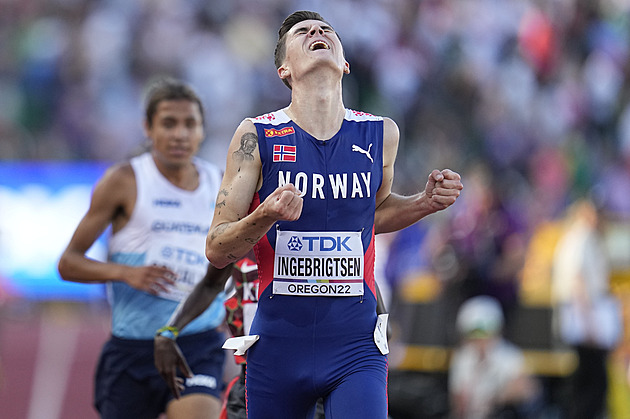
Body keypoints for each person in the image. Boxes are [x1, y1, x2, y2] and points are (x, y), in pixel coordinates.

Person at [203, 10, 463, 418]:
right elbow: (217, 248)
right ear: (283, 69)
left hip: (355, 345)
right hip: (278, 346)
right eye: (302, 32)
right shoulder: (256, 135)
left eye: (326, 30)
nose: (318, 32)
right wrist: (265, 214)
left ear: (344, 63)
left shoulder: (381, 134)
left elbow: (371, 215)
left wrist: (423, 203)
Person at [57, 77, 228, 419]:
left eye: (189, 124)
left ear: (202, 132)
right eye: (168, 123)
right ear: (148, 128)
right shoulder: (124, 181)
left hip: (195, 342)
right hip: (132, 348)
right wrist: (126, 273)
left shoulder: (220, 183)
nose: (179, 134)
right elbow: (68, 263)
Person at [551, 198, 622, 419]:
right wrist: (590, 323)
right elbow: (577, 282)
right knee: (593, 384)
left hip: (586, 318)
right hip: (585, 320)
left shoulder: (587, 238)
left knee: (588, 381)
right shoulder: (580, 238)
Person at [448, 295, 541, 419]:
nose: (480, 340)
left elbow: (528, 388)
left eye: (485, 332)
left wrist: (498, 397)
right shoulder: (463, 357)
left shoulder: (509, 356)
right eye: (474, 333)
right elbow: (457, 401)